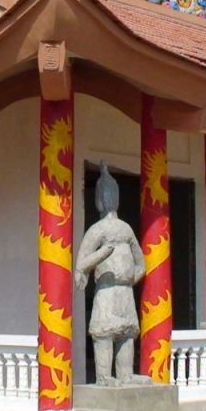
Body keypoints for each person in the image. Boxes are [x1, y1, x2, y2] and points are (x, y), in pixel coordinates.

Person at [74, 162, 147, 385]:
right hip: (106, 290)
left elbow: (141, 263)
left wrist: (128, 280)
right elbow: (81, 263)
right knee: (104, 333)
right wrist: (102, 254)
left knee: (126, 334)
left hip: (124, 291)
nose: (108, 199)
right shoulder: (97, 230)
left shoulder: (126, 229)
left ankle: (125, 374)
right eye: (105, 195)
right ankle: (104, 376)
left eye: (112, 194)